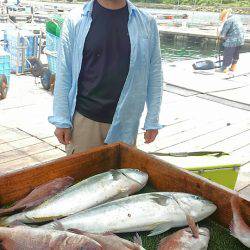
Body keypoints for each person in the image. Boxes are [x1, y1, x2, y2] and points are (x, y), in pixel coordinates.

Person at [48, 0, 163, 155]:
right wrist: (61, 119)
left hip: (127, 124)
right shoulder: (76, 19)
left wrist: (152, 120)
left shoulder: (147, 23)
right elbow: (64, 71)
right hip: (85, 121)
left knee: (121, 177)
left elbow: (154, 74)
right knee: (83, 177)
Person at [217, 9, 245, 73]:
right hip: (241, 39)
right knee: (236, 53)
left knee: (227, 54)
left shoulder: (228, 21)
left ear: (224, 16)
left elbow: (223, 34)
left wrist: (219, 31)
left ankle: (223, 68)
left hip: (232, 40)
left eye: (221, 18)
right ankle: (233, 67)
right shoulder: (237, 17)